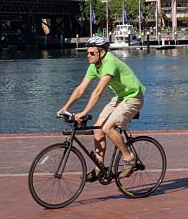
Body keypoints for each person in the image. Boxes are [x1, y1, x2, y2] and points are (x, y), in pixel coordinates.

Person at [57, 36, 145, 180]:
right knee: (98, 128)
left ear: (102, 52)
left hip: (134, 97)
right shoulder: (94, 66)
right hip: (120, 97)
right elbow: (80, 89)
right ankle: (99, 168)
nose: (88, 55)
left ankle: (129, 158)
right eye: (87, 53)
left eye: (92, 53)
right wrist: (64, 107)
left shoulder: (110, 63)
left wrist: (84, 112)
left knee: (108, 128)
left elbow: (98, 91)